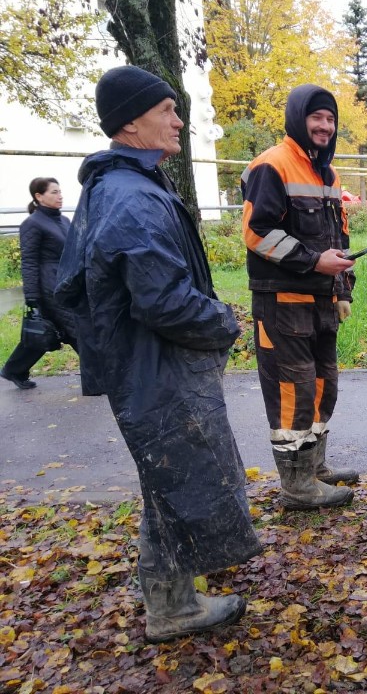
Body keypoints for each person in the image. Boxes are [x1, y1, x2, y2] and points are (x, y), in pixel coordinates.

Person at [55, 65, 261, 643]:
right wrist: (225, 322)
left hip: (147, 363)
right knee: (174, 481)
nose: (178, 121)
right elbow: (163, 301)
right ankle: (171, 607)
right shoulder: (130, 197)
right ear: (130, 123)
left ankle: (171, 602)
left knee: (164, 483)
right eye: (166, 110)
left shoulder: (125, 184)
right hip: (158, 367)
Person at [240, 84, 359, 510]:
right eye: (316, 117)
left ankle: (314, 468)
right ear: (297, 119)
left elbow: (338, 238)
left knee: (324, 386)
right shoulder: (272, 165)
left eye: (330, 119)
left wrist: (342, 288)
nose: (325, 126)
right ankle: (296, 486)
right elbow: (257, 232)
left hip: (322, 301)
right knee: (294, 391)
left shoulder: (328, 175)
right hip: (282, 303)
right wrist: (313, 262)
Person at [0, 178, 81, 390]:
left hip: (65, 284)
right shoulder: (32, 224)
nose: (60, 196)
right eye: (54, 192)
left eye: (60, 191)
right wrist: (32, 297)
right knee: (77, 329)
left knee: (44, 331)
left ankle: (13, 370)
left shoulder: (64, 220)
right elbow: (29, 262)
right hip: (49, 288)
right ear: (39, 196)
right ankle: (100, 376)